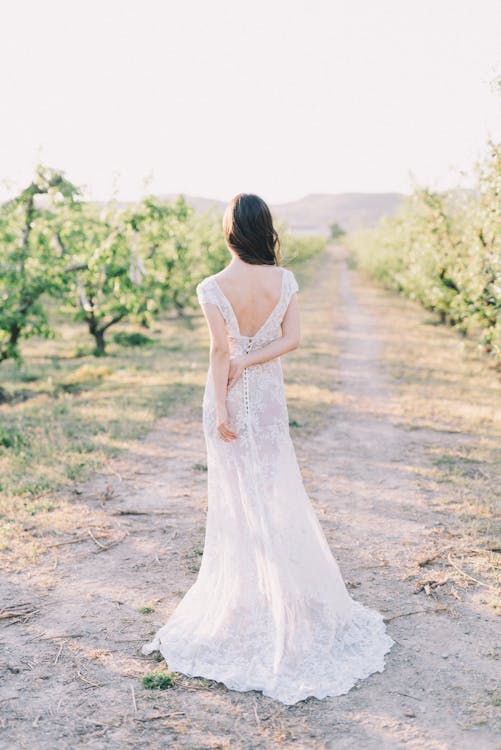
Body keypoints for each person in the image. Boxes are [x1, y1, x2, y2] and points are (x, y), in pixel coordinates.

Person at [142, 193, 394, 704]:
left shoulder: (212, 287)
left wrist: (227, 395)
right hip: (270, 402)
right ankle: (279, 593)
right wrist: (256, 358)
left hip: (228, 398)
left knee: (237, 502)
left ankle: (254, 599)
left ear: (230, 232)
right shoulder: (284, 280)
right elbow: (292, 338)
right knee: (275, 493)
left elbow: (219, 350)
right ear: (266, 230)